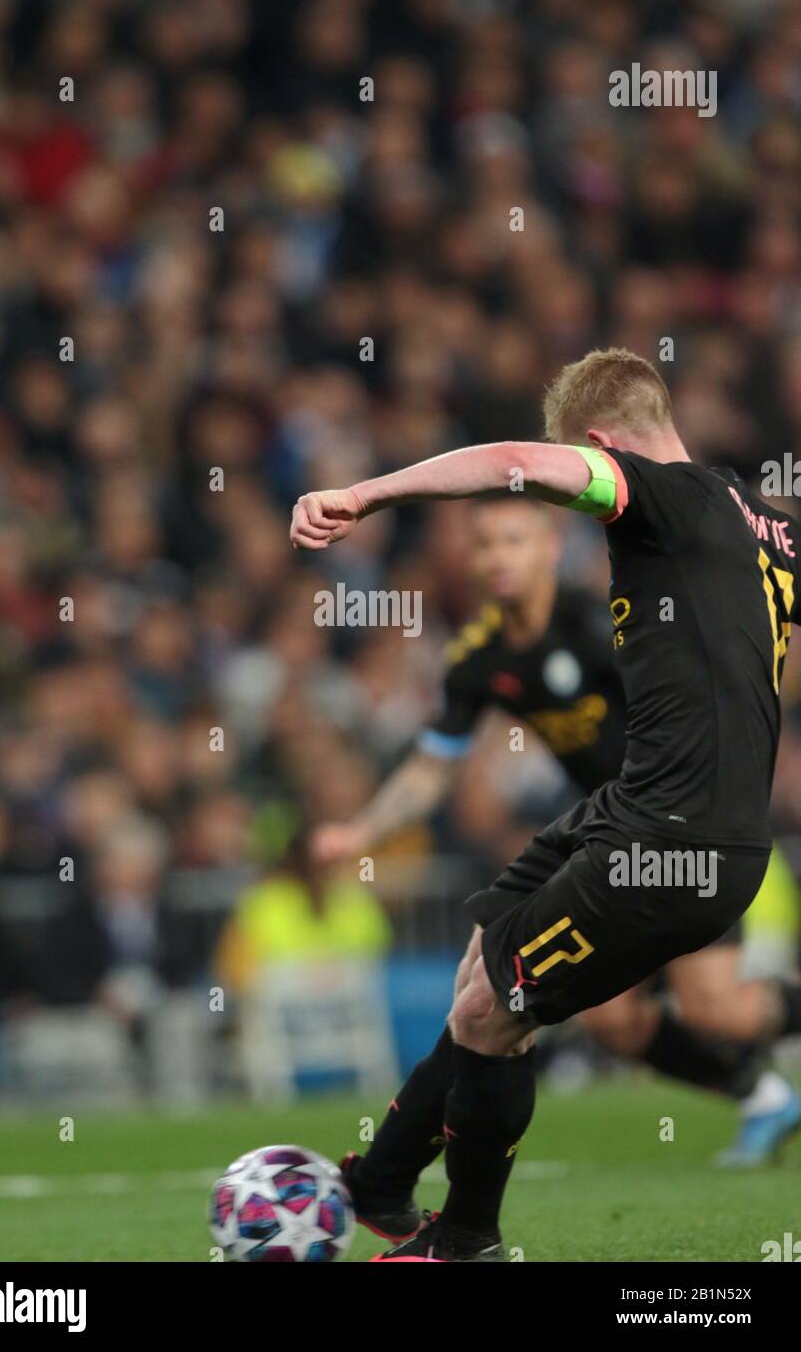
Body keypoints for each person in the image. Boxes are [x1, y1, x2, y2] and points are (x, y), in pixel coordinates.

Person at [290, 347, 801, 1261]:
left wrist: (363, 495)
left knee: (500, 1014)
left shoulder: (661, 497)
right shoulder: (768, 519)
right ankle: (382, 1183)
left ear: (602, 446)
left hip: (675, 838)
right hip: (629, 811)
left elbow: (508, 464)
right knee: (479, 979)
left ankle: (466, 1242)